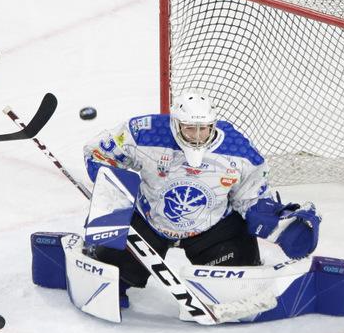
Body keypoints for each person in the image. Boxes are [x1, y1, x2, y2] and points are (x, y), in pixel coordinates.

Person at [82, 91, 321, 307]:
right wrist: (113, 190)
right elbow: (98, 151)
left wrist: (279, 222)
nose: (197, 136)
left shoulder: (237, 149)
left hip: (212, 227)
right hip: (149, 220)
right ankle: (102, 257)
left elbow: (251, 195)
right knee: (115, 273)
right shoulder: (144, 132)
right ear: (176, 124)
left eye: (203, 128)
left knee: (235, 287)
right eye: (189, 128)